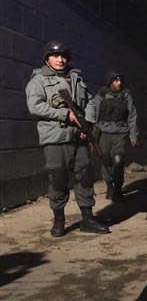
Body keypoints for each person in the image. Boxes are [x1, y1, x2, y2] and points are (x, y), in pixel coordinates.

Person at [25, 40, 109, 237]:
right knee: (58, 178)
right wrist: (64, 114)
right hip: (55, 138)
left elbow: (89, 102)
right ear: (47, 59)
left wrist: (86, 123)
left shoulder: (76, 78)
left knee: (84, 176)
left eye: (63, 56)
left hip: (78, 137)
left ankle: (88, 219)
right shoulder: (39, 80)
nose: (60, 59)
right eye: (55, 56)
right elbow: (35, 106)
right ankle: (59, 220)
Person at [85, 71, 138, 203]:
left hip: (120, 134)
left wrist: (133, 134)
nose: (119, 83)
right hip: (103, 134)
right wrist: (92, 133)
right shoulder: (101, 95)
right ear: (110, 82)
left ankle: (118, 189)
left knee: (118, 161)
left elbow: (132, 115)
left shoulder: (126, 95)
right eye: (115, 80)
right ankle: (109, 186)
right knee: (106, 161)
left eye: (120, 80)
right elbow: (93, 112)